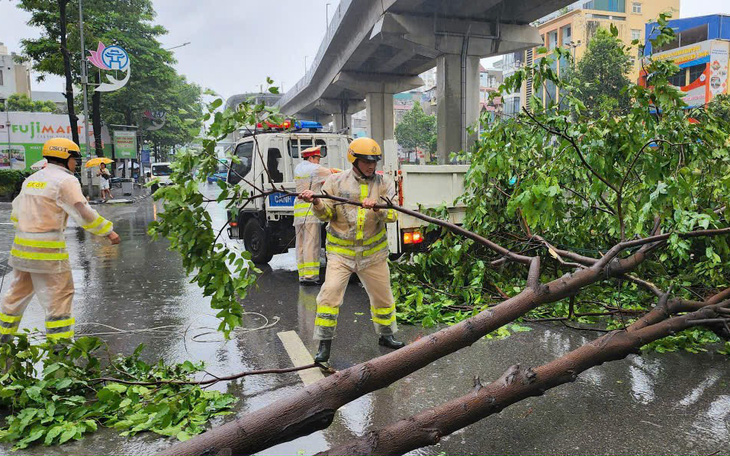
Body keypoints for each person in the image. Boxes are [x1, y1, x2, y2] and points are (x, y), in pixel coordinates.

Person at [1, 138, 121, 344]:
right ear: (65, 158)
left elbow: (16, 213)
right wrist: (107, 231)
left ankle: (3, 340)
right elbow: (82, 210)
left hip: (22, 252)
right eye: (74, 159)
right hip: (48, 253)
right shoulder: (66, 181)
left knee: (15, 297)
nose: (76, 164)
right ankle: (60, 349)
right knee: (60, 298)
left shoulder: (32, 179)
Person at [300, 137, 405, 363]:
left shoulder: (383, 183)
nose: (371, 166)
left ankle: (386, 335)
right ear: (354, 160)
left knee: (383, 298)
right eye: (366, 161)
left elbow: (394, 214)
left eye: (374, 161)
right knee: (329, 297)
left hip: (374, 254)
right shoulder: (335, 182)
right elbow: (326, 215)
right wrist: (316, 203)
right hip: (341, 254)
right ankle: (324, 346)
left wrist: (377, 208)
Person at [293, 146, 333, 285]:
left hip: (298, 212)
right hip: (310, 211)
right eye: (317, 158)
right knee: (311, 244)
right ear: (311, 158)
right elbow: (332, 174)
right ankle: (311, 276)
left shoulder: (298, 168)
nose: (318, 162)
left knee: (301, 244)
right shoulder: (315, 169)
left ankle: (302, 274)